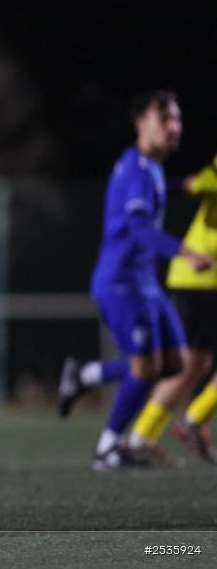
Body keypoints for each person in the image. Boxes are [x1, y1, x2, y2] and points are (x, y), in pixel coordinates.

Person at [57, 90, 212, 471]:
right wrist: (185, 252)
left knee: (175, 363)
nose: (174, 127)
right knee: (145, 368)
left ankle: (85, 374)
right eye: (165, 120)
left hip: (147, 286)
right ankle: (109, 448)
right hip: (121, 283)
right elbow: (138, 227)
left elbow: (168, 191)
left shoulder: (154, 169)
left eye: (177, 119)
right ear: (142, 124)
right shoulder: (136, 168)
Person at [128, 155, 217, 464]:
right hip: (203, 278)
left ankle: (141, 436)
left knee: (192, 363)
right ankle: (191, 421)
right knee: (188, 363)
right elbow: (199, 183)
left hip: (198, 279)